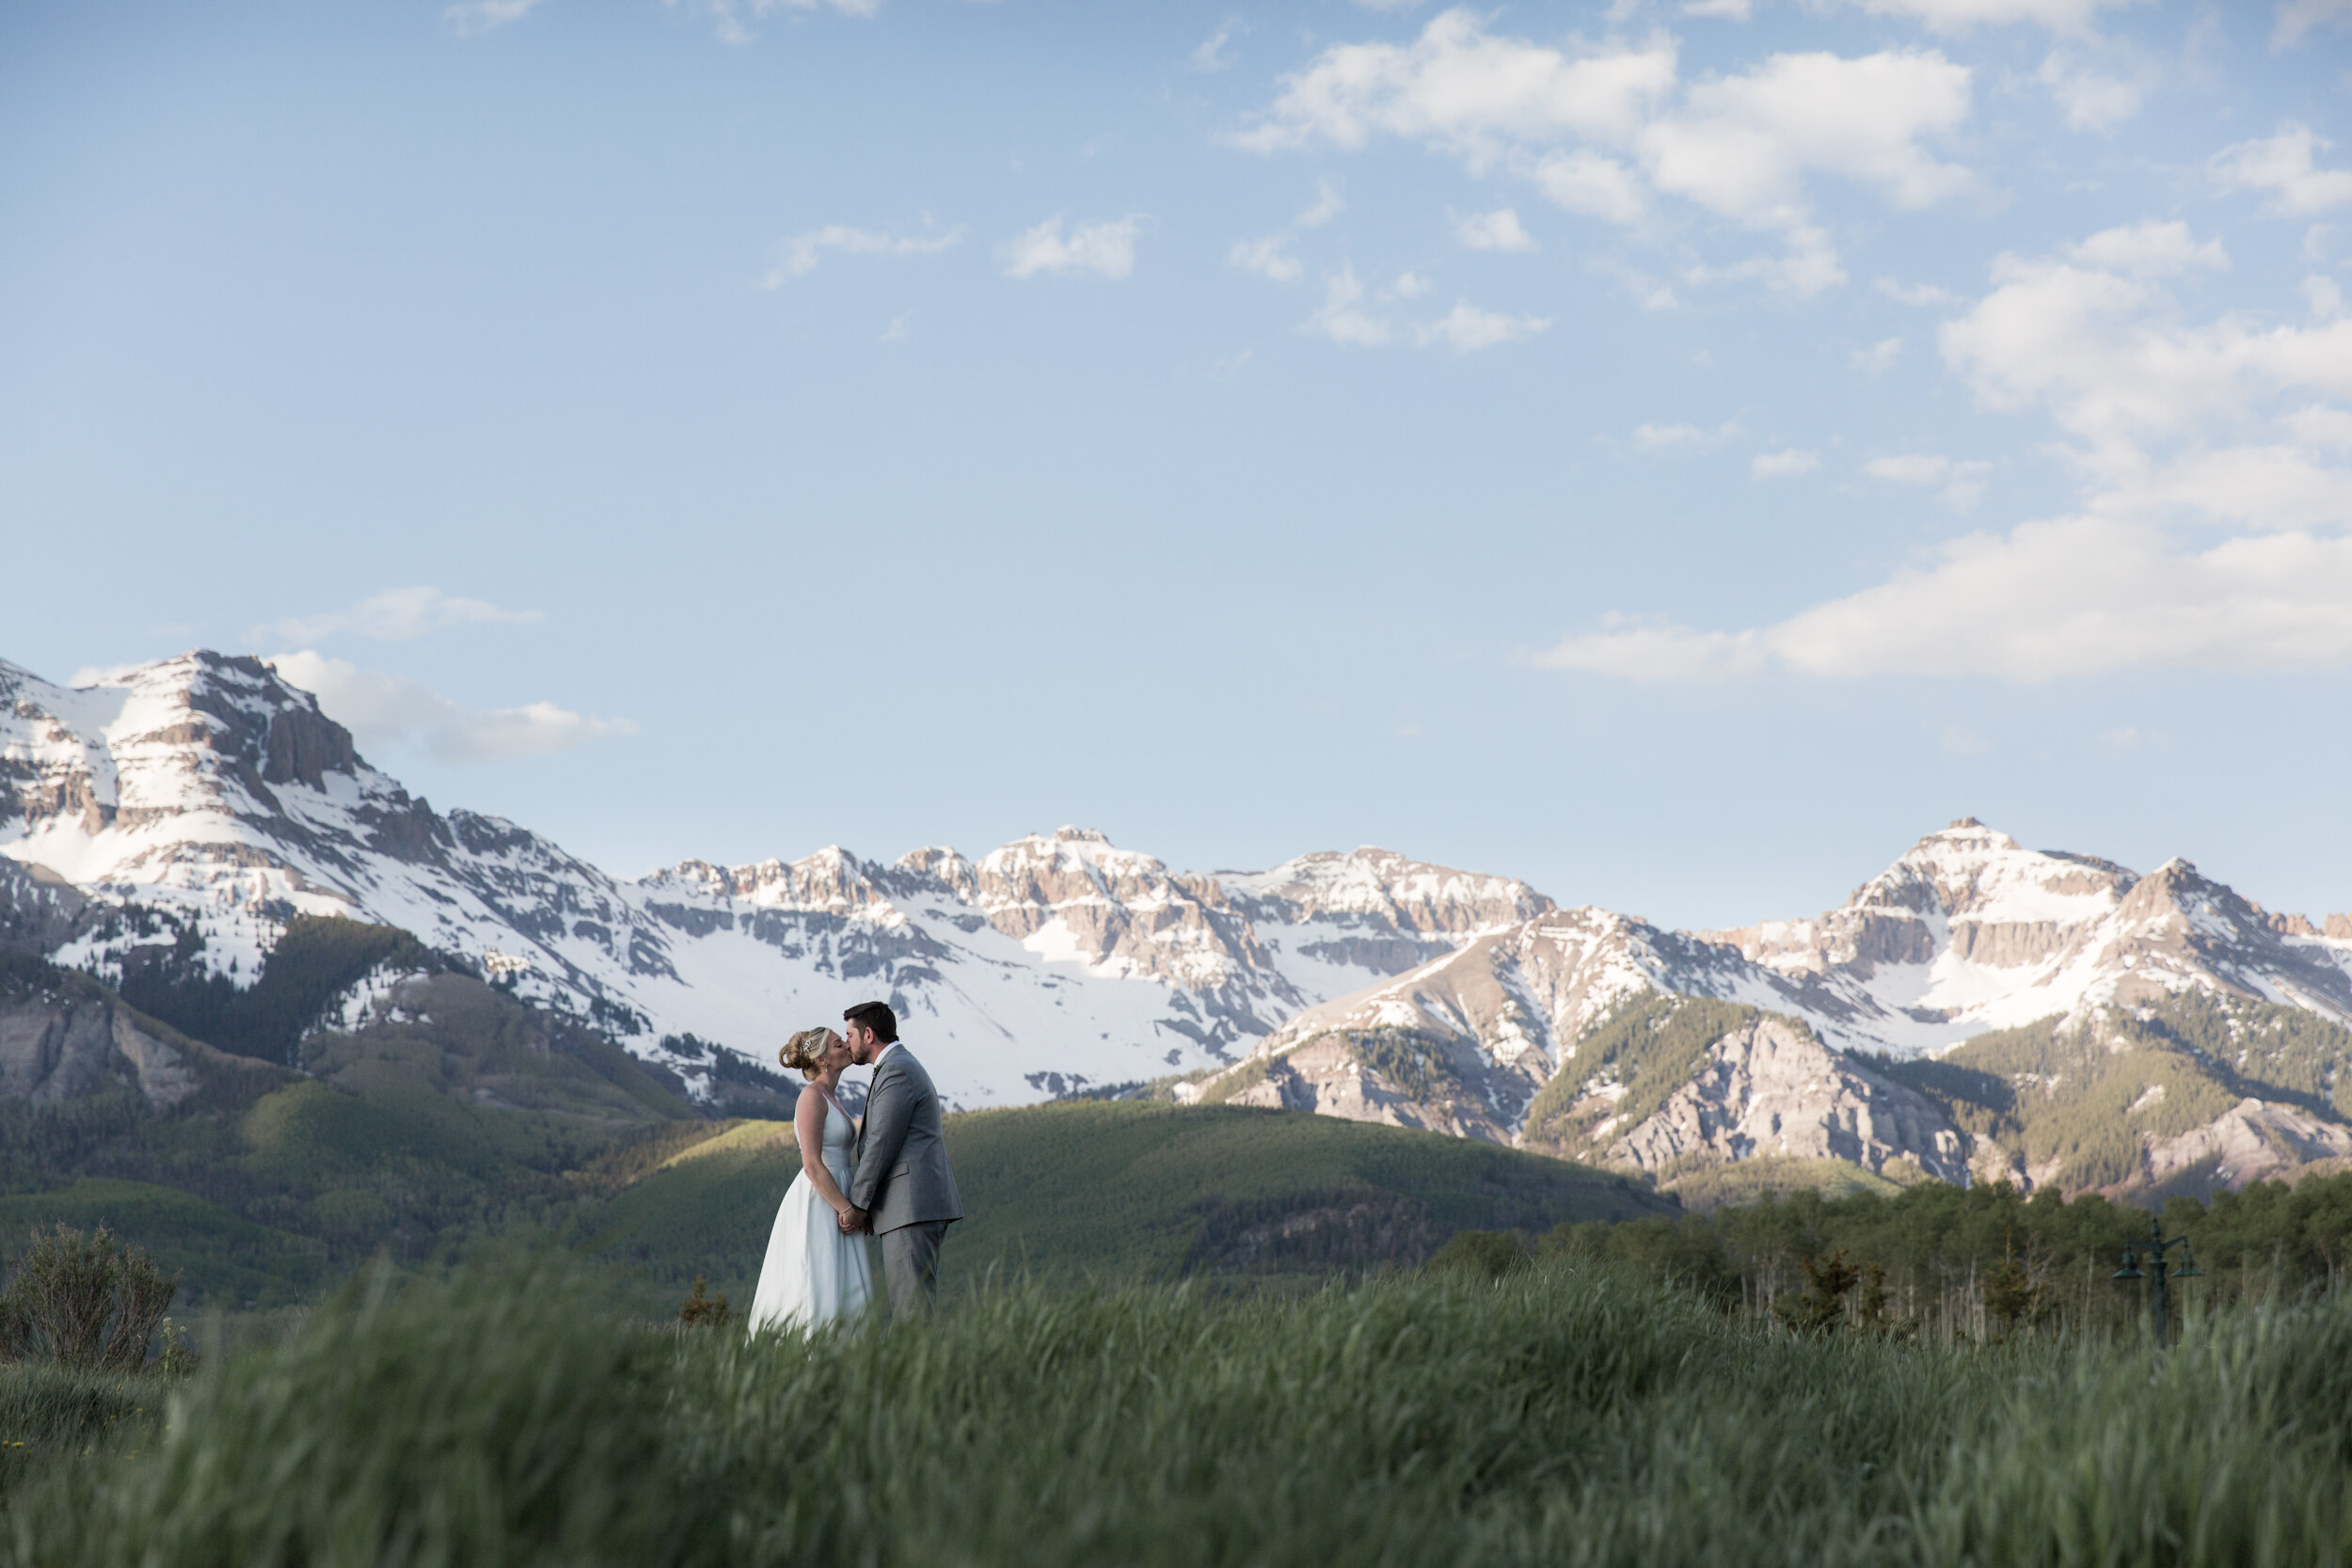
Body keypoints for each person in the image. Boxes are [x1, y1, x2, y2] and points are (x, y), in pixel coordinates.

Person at [837, 1001, 962, 1317]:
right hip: (908, 1206)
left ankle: (917, 1368)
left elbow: (881, 1142)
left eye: (849, 1034)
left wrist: (858, 1205)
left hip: (910, 1206)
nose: (847, 1042)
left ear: (868, 1035)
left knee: (912, 1311)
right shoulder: (899, 1066)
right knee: (911, 1307)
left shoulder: (897, 1070)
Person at [746, 1026, 874, 1334]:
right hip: (820, 1200)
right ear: (823, 1059)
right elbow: (813, 1164)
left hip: (840, 1193)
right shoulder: (811, 1097)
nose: (845, 1044)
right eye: (837, 1043)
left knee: (842, 1281)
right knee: (818, 1277)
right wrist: (845, 1208)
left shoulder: (831, 1097)